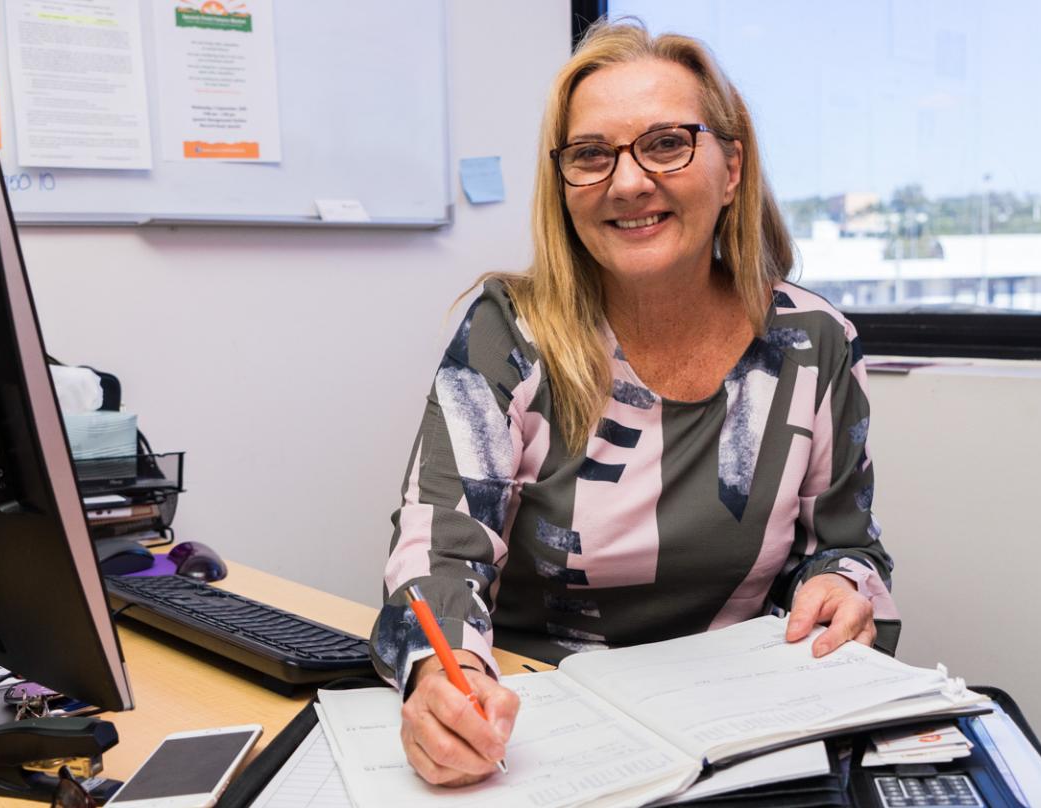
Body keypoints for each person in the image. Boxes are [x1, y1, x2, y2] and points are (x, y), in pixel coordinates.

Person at [369, 19, 900, 787]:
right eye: (592, 155)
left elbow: (848, 547)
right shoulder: (508, 334)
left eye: (666, 144)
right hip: (534, 730)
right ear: (564, 186)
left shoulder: (813, 343)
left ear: (732, 168)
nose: (627, 183)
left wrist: (839, 586)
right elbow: (438, 548)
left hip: (741, 730)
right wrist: (439, 677)